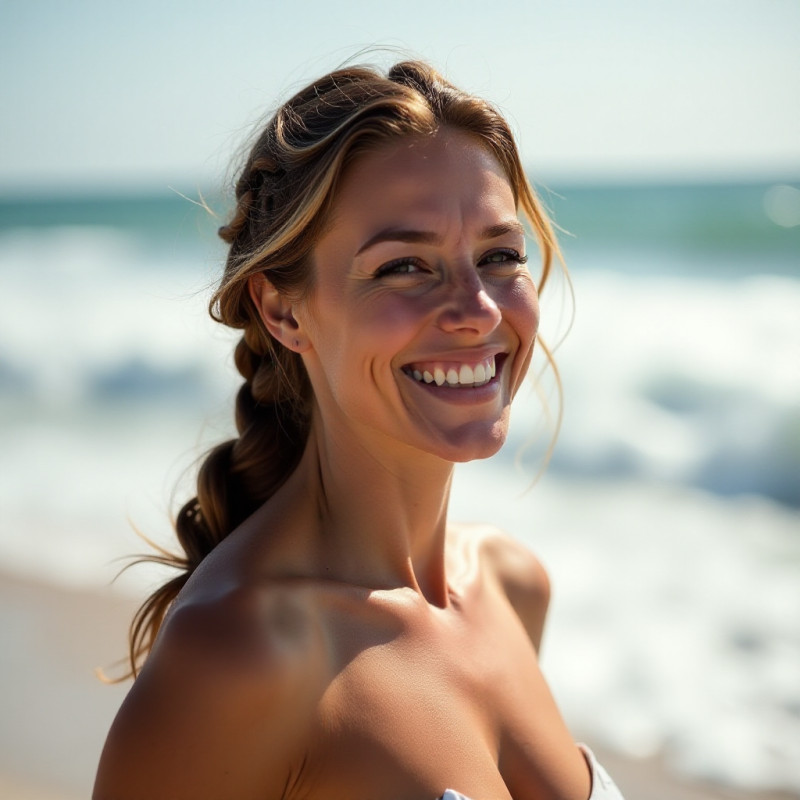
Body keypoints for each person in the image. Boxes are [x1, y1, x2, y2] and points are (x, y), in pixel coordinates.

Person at [94, 59, 625, 800]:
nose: (477, 308)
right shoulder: (237, 657)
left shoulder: (512, 584)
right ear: (283, 310)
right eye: (406, 265)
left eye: (500, 256)